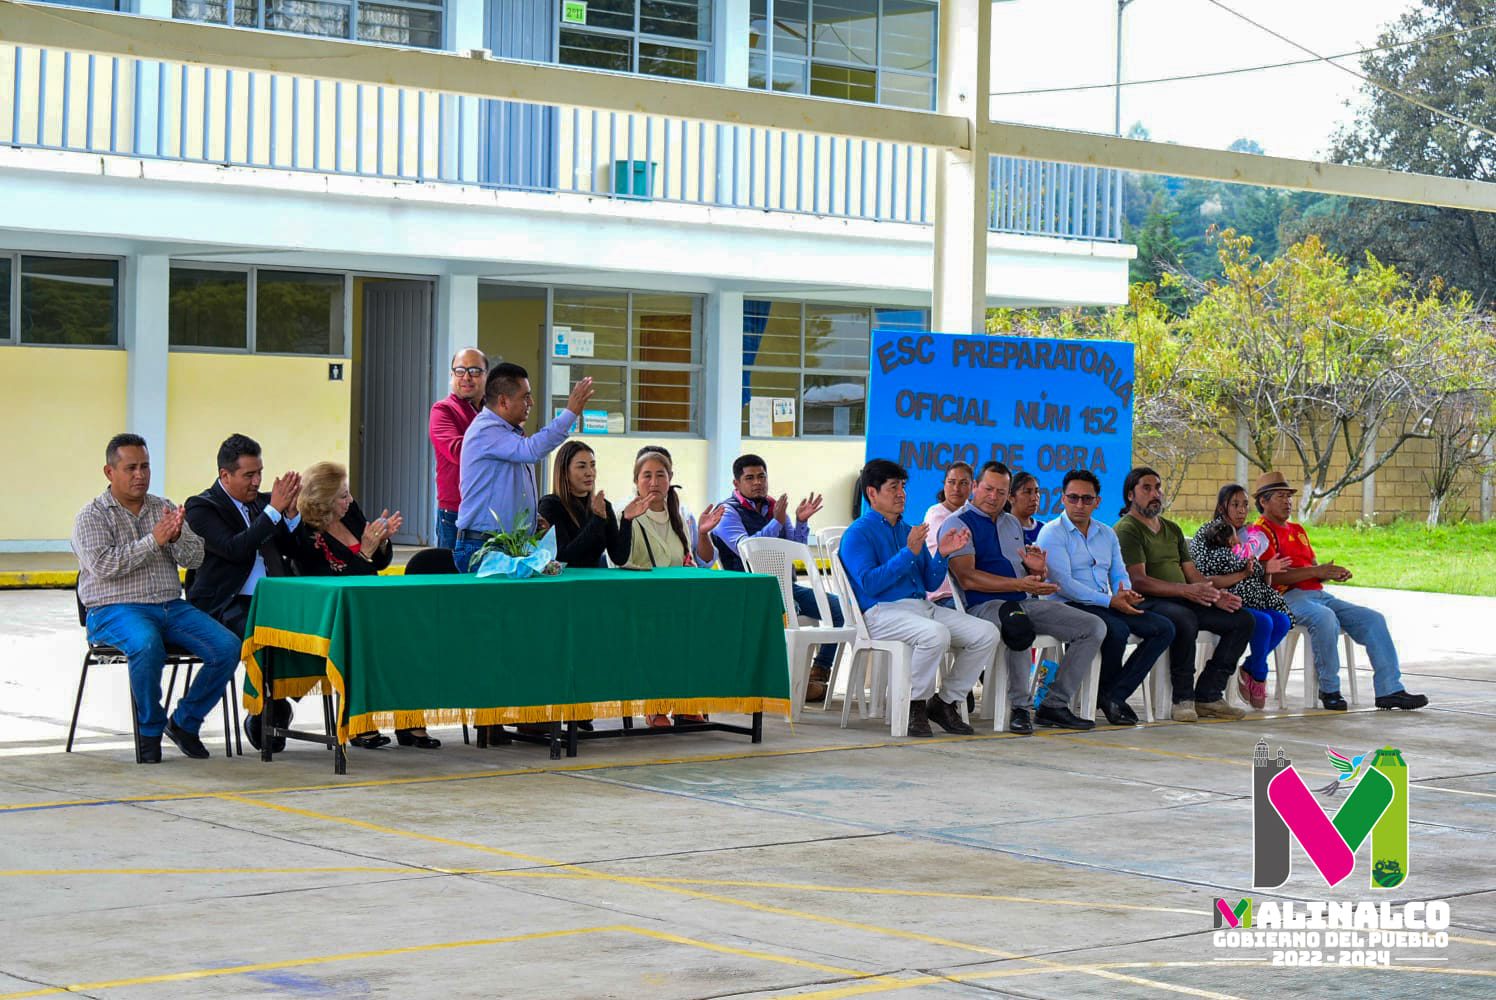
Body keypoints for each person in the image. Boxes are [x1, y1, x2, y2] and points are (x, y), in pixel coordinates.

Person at [71, 434, 243, 763]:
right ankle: (149, 730)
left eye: (145, 466)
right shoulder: (91, 516)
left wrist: (177, 538)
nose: (140, 474)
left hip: (170, 607)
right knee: (147, 644)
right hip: (113, 610)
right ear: (109, 472)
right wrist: (155, 540)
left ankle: (184, 722)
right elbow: (104, 566)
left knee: (228, 646)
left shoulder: (162, 508)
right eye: (131, 467)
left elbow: (195, 558)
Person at [838, 459, 999, 738]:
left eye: (903, 486)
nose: (901, 493)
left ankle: (945, 701)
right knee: (935, 634)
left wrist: (943, 554)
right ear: (872, 493)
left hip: (920, 608)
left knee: (986, 633)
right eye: (893, 487)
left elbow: (930, 582)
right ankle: (913, 704)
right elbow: (870, 584)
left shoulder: (907, 530)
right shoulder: (858, 533)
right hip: (880, 612)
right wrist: (908, 554)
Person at [943, 462, 1106, 733]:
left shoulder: (1011, 524)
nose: (993, 496)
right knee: (1018, 625)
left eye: (1001, 491)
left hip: (1022, 601)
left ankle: (1054, 704)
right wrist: (1019, 582)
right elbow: (967, 578)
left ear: (1008, 495)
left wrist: (1036, 572)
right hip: (983, 607)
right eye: (988, 489)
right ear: (974, 487)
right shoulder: (957, 523)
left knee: (1093, 627)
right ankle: (1020, 707)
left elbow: (1026, 576)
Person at [289, 461, 436, 750]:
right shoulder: (308, 536)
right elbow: (333, 584)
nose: (350, 500)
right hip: (338, 612)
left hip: (371, 603)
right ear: (325, 500)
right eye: (343, 496)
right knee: (369, 641)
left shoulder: (351, 513)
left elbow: (379, 562)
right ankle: (360, 721)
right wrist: (366, 551)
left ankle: (410, 720)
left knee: (414, 632)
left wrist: (380, 542)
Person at [1253, 471, 1427, 711]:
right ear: (1263, 501)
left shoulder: (1298, 530)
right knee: (1324, 618)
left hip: (1318, 595)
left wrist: (1330, 573)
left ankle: (1390, 689)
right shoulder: (1259, 532)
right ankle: (1329, 688)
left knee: (1373, 619)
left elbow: (1311, 568)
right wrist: (1318, 572)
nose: (1288, 502)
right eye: (1281, 497)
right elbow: (1270, 577)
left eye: (1289, 497)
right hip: (1284, 598)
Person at [184, 433, 302, 752]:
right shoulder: (202, 507)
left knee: (316, 629)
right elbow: (235, 549)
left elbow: (293, 549)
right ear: (225, 475)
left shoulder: (265, 505)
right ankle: (264, 708)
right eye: (249, 475)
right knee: (262, 635)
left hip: (273, 599)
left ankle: (279, 700)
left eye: (260, 472)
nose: (256, 481)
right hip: (224, 604)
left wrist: (290, 515)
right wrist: (273, 513)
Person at [1114, 467, 1253, 722]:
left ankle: (1209, 695)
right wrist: (1186, 591)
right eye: (1146, 488)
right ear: (1130, 495)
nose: (1155, 493)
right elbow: (1139, 581)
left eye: (1157, 487)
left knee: (1242, 619)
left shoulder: (1172, 528)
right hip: (1149, 601)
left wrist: (1215, 595)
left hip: (1182, 597)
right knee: (1185, 618)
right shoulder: (1127, 529)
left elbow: (1191, 574)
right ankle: (1183, 698)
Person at [1037, 470, 1174, 726]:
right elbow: (1064, 585)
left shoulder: (1106, 534)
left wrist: (1125, 592)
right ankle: (1101, 697)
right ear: (1062, 499)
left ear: (1097, 502)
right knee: (1117, 630)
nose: (1080, 505)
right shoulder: (1052, 533)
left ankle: (1113, 695)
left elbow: (1119, 572)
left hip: (1106, 603)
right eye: (1073, 498)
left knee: (1163, 627)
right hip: (1069, 605)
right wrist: (1111, 602)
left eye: (1087, 499)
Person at [710, 453, 842, 703]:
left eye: (762, 476)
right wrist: (776, 522)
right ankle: (777, 683)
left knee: (838, 609)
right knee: (788, 612)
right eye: (750, 478)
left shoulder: (773, 506)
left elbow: (796, 549)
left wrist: (801, 521)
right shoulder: (726, 512)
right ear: (736, 484)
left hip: (784, 586)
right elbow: (747, 549)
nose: (758, 482)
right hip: (747, 590)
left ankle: (818, 673)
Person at [608, 449, 725, 727]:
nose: (654, 482)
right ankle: (656, 707)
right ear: (636, 481)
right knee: (658, 633)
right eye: (646, 475)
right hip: (637, 601)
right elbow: (617, 560)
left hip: (675, 600)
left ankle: (687, 704)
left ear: (670, 478)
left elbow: (695, 563)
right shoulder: (623, 513)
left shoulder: (680, 516)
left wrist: (703, 534)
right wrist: (626, 521)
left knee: (701, 629)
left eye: (660, 475)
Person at [454, 364, 595, 574]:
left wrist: (531, 518)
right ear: (503, 401)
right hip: (485, 547)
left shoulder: (509, 434)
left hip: (510, 546)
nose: (531, 403)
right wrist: (570, 413)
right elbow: (532, 450)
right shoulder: (485, 430)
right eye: (525, 397)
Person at [1189, 484, 1294, 710]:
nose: (1241, 510)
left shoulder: (1249, 535)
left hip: (1252, 596)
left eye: (1245, 505)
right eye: (1235, 504)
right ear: (1221, 507)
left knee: (1282, 621)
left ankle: (1251, 667)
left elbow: (1257, 573)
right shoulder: (1209, 534)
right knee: (1263, 622)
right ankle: (1260, 673)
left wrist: (1265, 571)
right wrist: (1243, 573)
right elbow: (1204, 577)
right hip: (1222, 598)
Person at [429, 347, 487, 550]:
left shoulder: (493, 411)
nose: (467, 377)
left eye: (475, 371)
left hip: (491, 510)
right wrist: (497, 440)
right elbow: (458, 452)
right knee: (452, 579)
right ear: (452, 375)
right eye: (460, 371)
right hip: (455, 512)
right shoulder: (443, 410)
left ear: (486, 375)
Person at [536, 440, 621, 569]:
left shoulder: (603, 505)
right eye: (582, 466)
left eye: (593, 465)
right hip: (565, 584)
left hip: (595, 584)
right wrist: (597, 520)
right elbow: (564, 557)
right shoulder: (551, 505)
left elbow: (619, 557)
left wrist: (627, 520)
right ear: (565, 472)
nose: (590, 472)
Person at [922, 461, 973, 608]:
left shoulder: (972, 514)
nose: (956, 488)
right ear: (944, 484)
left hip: (970, 592)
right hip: (945, 597)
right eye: (951, 482)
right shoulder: (936, 514)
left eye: (963, 483)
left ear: (972, 486)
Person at [1008, 471, 1045, 545]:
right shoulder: (1001, 530)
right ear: (1011, 498)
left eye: (1036, 491)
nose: (1034, 498)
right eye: (1027, 492)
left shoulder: (1045, 529)